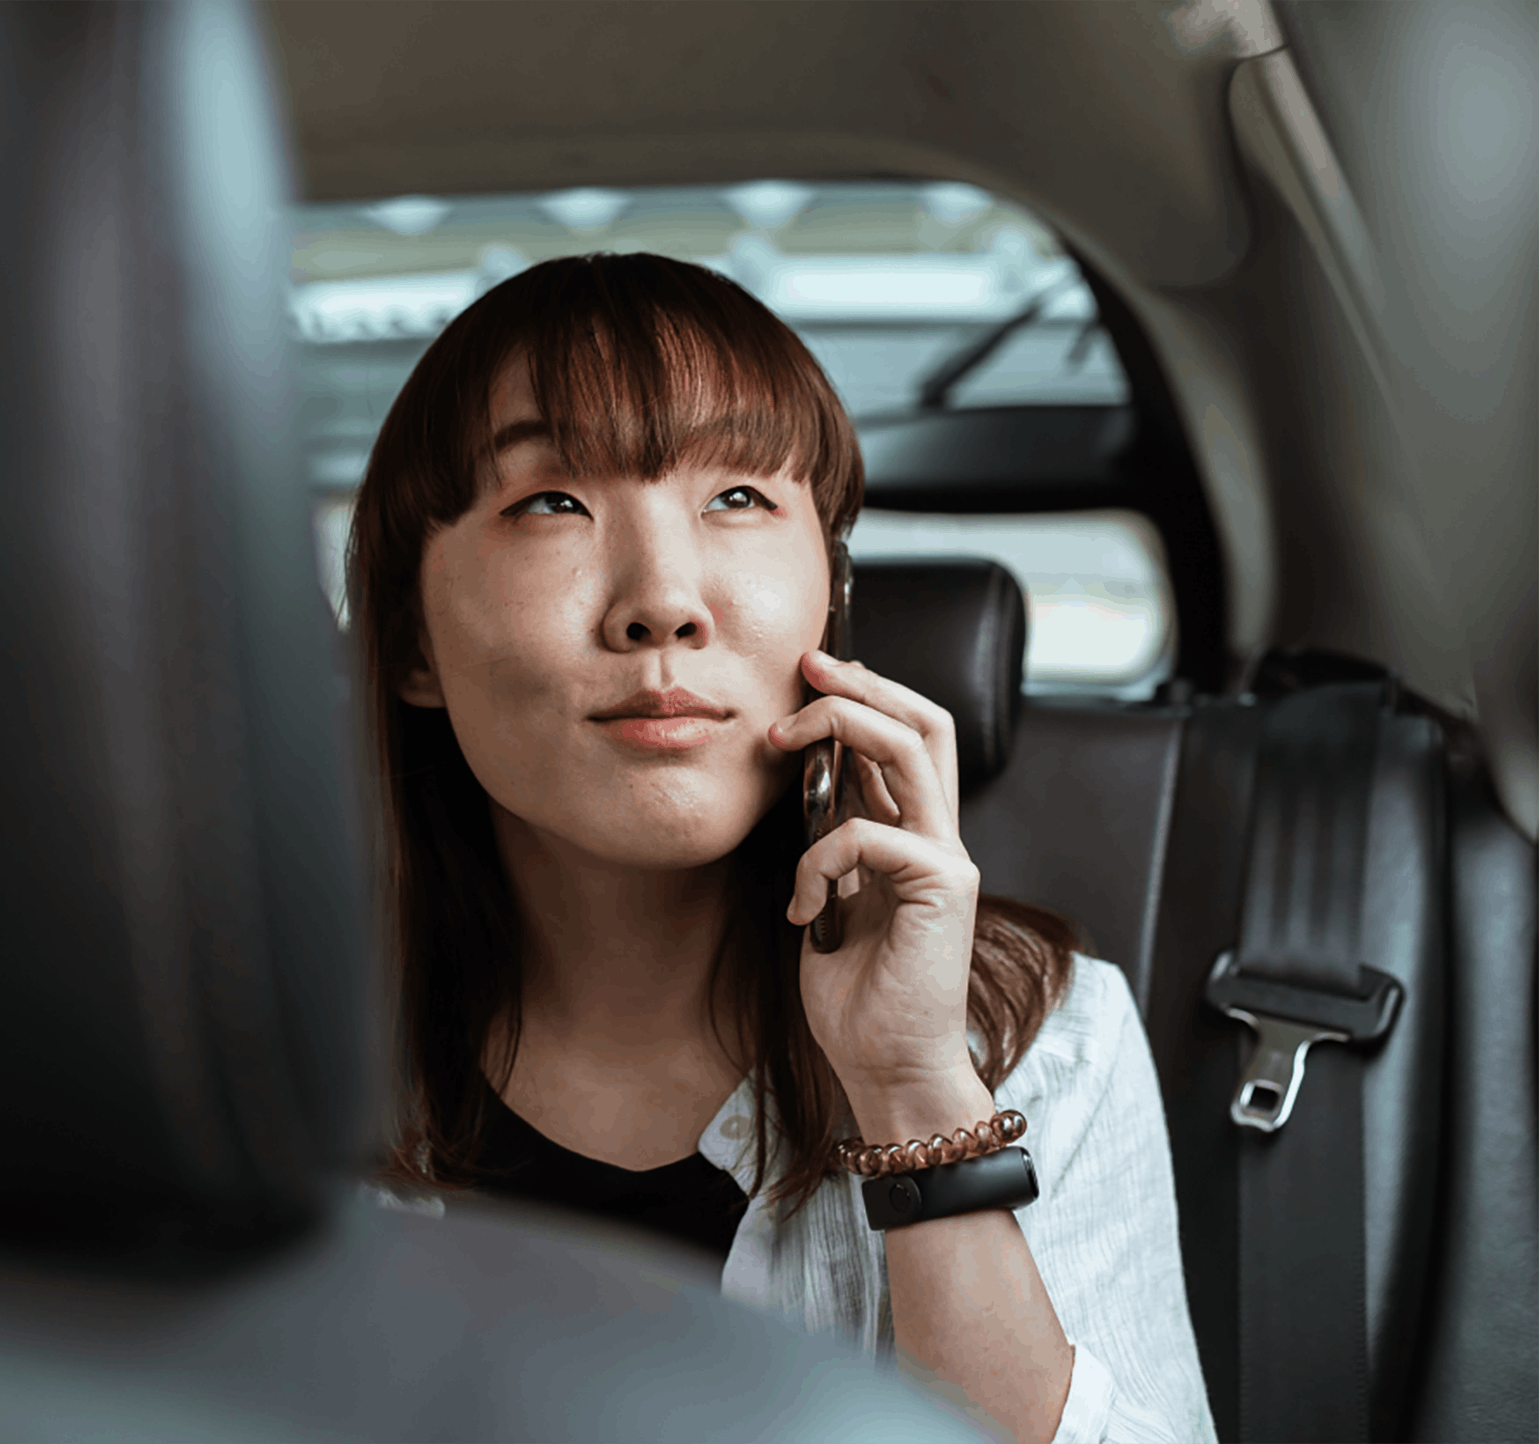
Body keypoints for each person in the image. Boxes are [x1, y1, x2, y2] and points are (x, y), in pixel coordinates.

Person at [346, 252, 1215, 1444]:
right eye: (552, 500)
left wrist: (914, 1090)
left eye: (739, 498)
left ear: (831, 596)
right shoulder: (238, 1062)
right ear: (411, 649)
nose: (663, 600)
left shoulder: (1038, 1041)